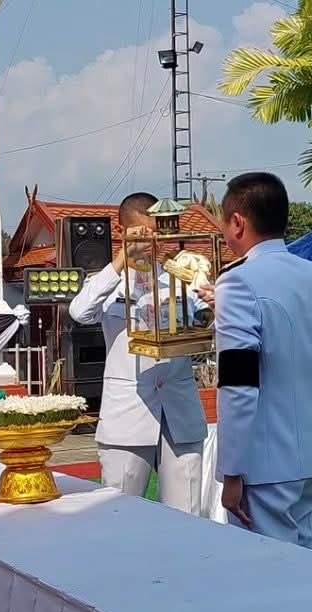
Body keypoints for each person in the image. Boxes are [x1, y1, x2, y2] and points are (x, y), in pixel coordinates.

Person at [209, 172, 312, 549]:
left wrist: (231, 470)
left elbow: (238, 384)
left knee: (265, 572)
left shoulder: (237, 281)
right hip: (310, 452)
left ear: (238, 222)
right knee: (309, 565)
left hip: (263, 462)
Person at [68, 192, 207, 514]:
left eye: (155, 234)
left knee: (187, 516)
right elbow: (80, 312)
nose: (150, 243)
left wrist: (214, 307)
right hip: (128, 413)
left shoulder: (179, 277)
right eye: (142, 235)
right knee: (119, 513)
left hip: (179, 411)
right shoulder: (109, 282)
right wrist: (121, 259)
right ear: (122, 231)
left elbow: (206, 318)